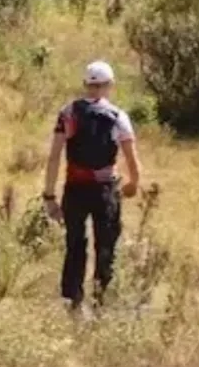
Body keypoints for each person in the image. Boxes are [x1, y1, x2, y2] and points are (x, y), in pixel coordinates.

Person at [43, 59, 140, 310]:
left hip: (75, 188)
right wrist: (133, 183)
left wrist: (49, 196)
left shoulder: (68, 113)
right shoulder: (118, 116)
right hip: (105, 189)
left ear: (85, 84)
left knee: (75, 244)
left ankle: (72, 300)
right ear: (110, 85)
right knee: (106, 245)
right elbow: (131, 157)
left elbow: (54, 156)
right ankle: (101, 300)